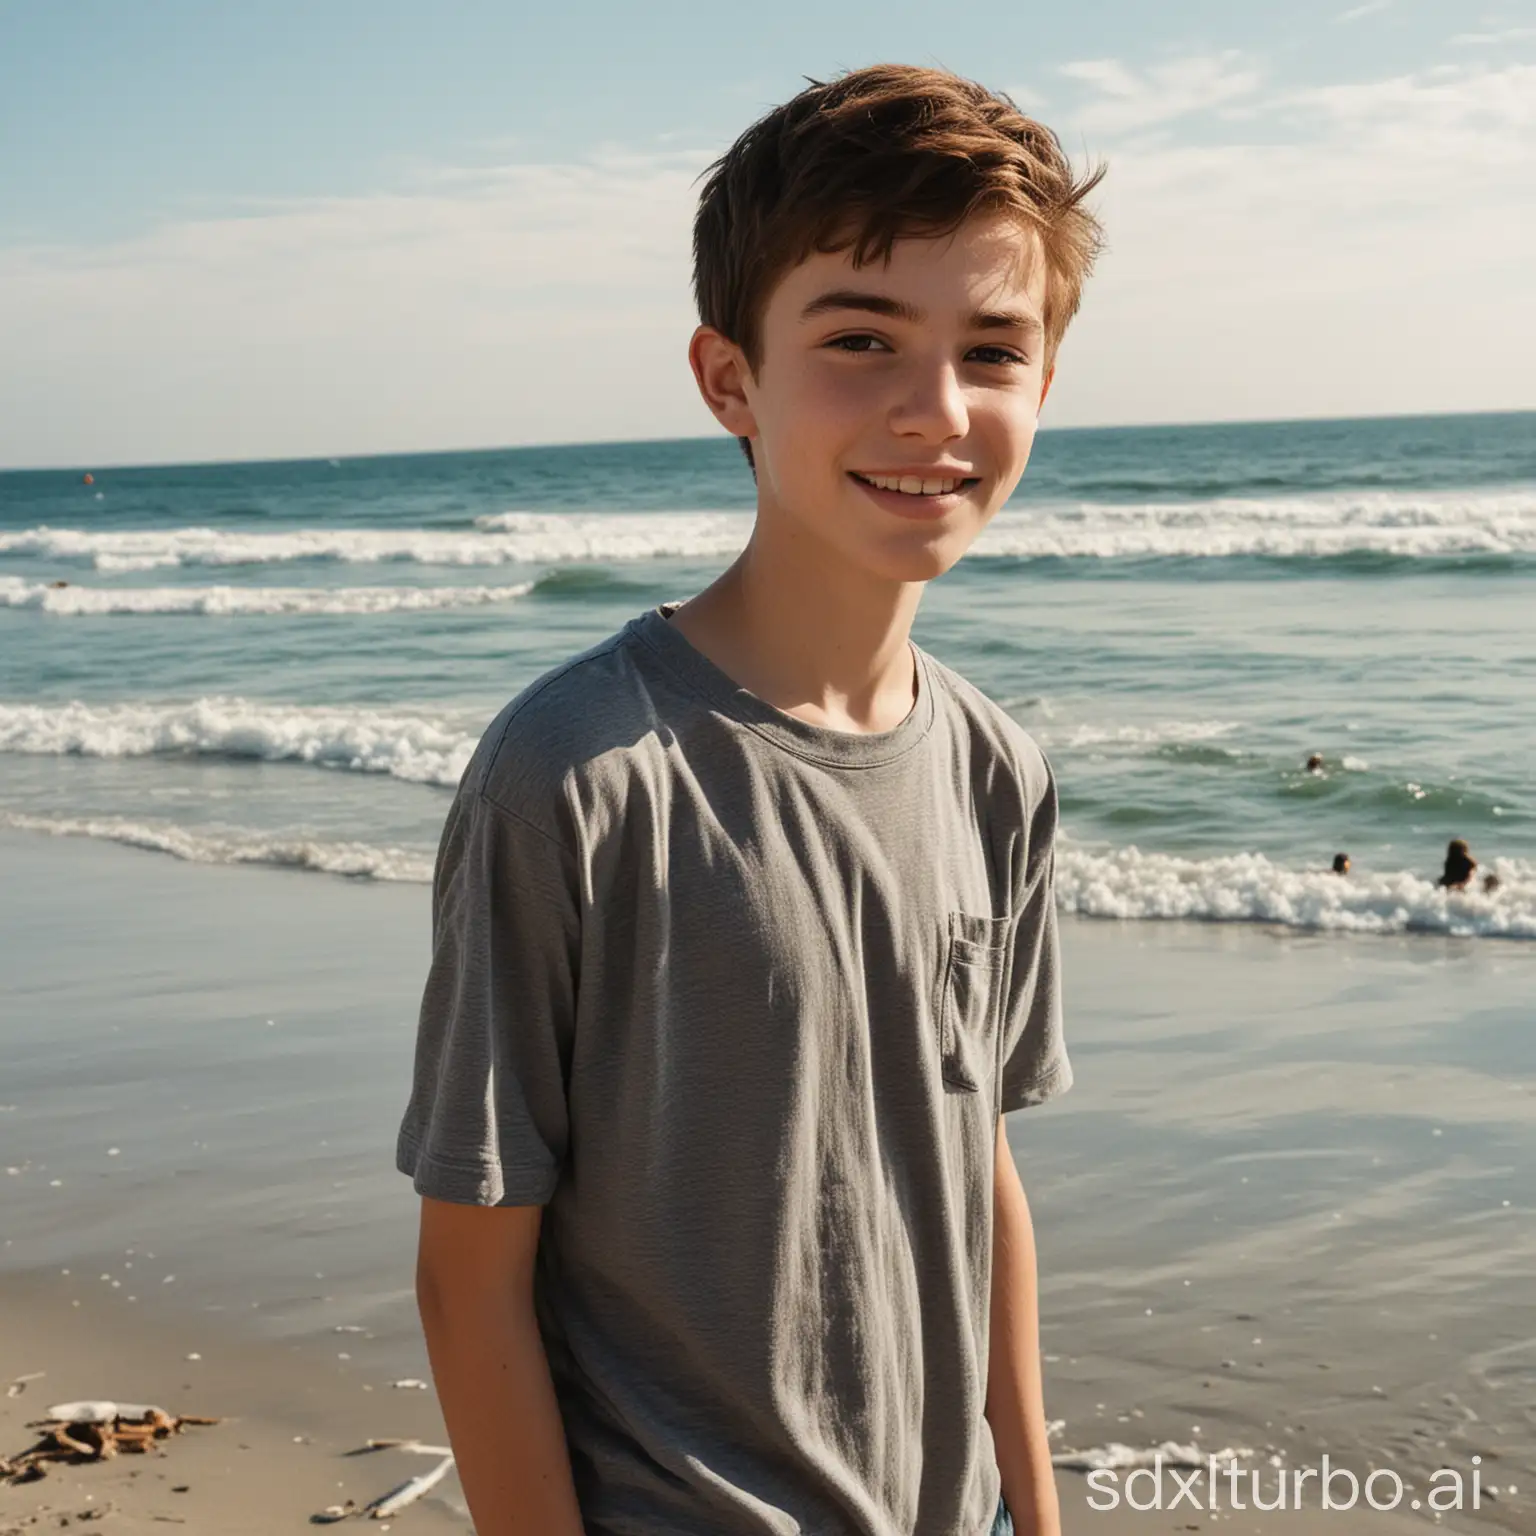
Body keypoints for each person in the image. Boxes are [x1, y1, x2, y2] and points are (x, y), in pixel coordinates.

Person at [396, 64, 1101, 1536]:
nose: (935, 411)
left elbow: (981, 1173)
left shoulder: (995, 770)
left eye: (992, 348)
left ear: (1046, 382)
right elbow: (471, 1279)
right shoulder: (579, 771)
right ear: (730, 379)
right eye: (861, 340)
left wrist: (1038, 1512)